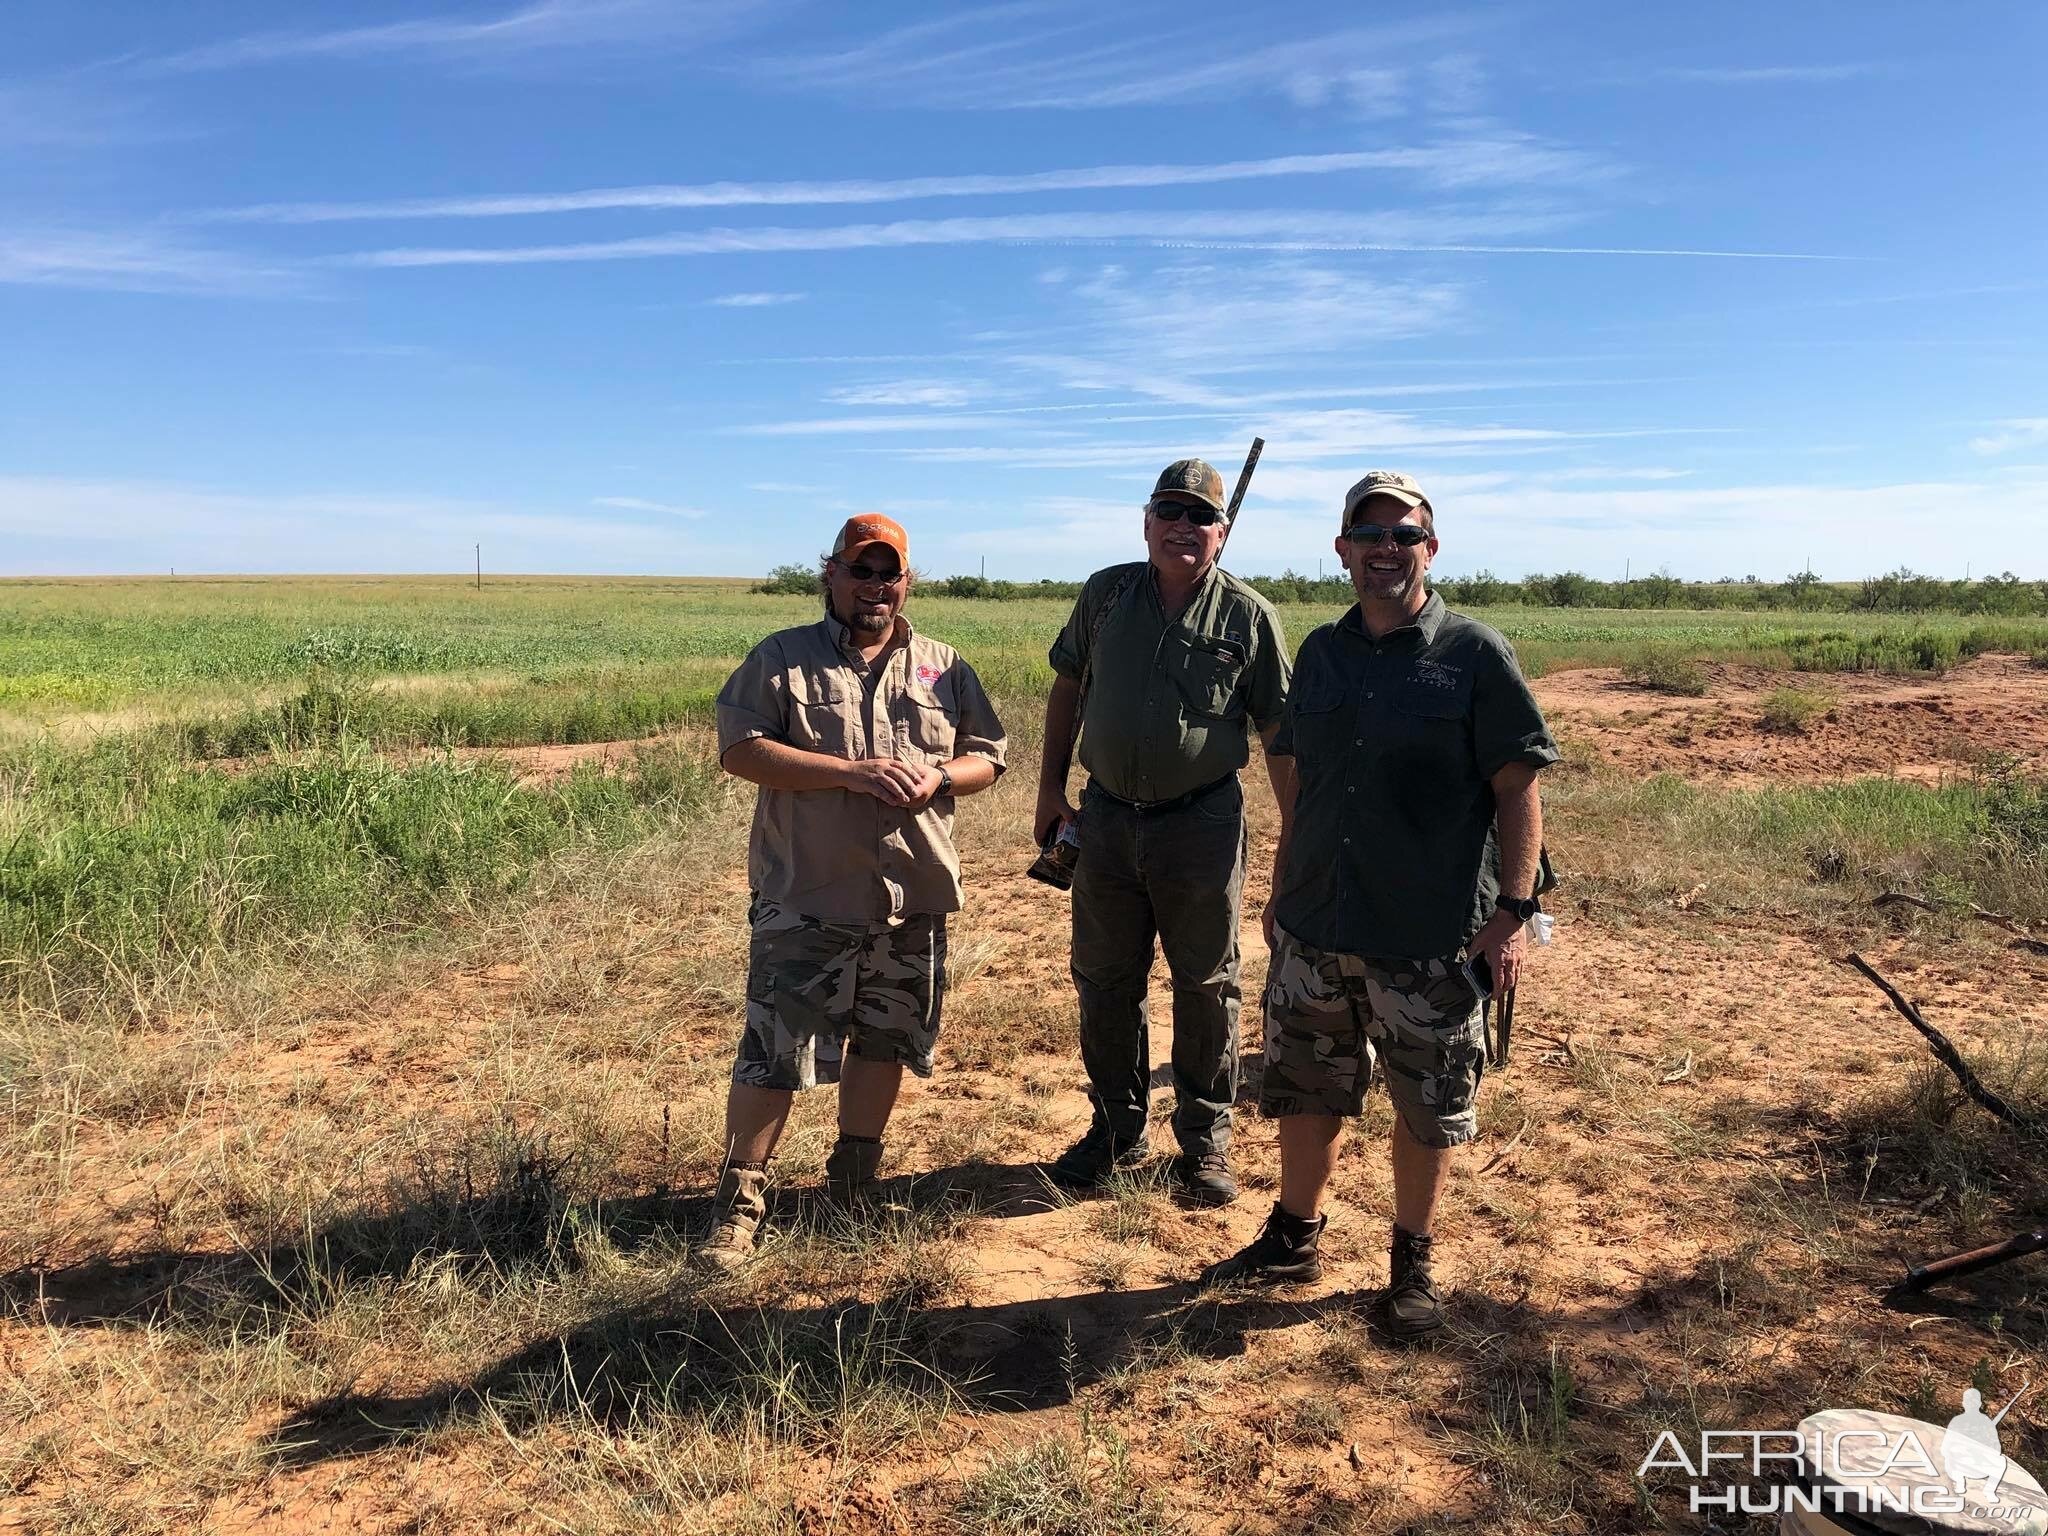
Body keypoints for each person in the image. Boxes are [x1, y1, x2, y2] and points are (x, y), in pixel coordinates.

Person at [1199, 470, 1558, 1338]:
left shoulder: (1472, 653)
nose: (1386, 549)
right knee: (1305, 1089)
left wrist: (1512, 910)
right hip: (1319, 920)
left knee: (1427, 1104)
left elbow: (1518, 786)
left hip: (1430, 934)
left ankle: (1412, 1261)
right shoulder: (1320, 653)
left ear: (1430, 550)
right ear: (1342, 550)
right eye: (1370, 534)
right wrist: (1283, 891)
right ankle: (1294, 1234)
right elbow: (1307, 782)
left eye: (1405, 535)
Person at [697, 514, 1007, 1271]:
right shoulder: (782, 659)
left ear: (908, 580)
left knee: (884, 1039)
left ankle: (853, 1184)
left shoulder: (942, 665)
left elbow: (989, 757)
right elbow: (740, 749)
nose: (875, 587)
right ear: (829, 574)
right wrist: (849, 772)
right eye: (860, 571)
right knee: (775, 1052)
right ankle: (739, 1207)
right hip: (809, 895)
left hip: (912, 893)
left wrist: (938, 777)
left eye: (889, 573)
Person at [1036, 458, 1293, 1207]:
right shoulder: (1106, 594)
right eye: (1169, 511)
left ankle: (1206, 1142)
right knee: (1105, 979)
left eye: (1201, 516)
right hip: (1105, 819)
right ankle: (1115, 1130)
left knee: (1208, 985)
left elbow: (1279, 733)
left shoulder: (1249, 616)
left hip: (1203, 826)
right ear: (1146, 521)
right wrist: (1050, 789)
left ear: (1223, 530)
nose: (1184, 526)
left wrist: (1294, 846)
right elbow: (1068, 685)